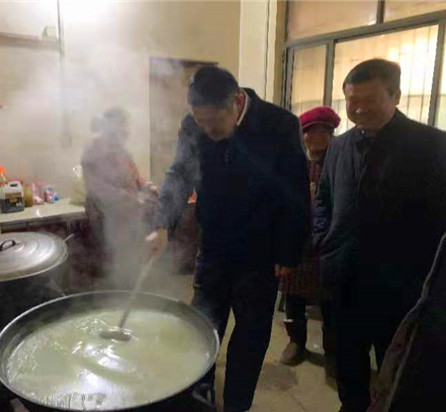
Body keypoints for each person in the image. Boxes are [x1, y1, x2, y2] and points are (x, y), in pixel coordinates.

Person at [145, 66, 310, 412]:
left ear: (236, 101)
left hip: (260, 253)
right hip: (214, 246)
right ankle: (199, 395)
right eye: (200, 122)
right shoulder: (193, 125)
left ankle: (237, 404)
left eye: (213, 122)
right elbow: (179, 174)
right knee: (201, 327)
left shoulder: (280, 124)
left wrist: (289, 253)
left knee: (250, 335)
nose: (207, 130)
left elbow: (295, 192)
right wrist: (162, 224)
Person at [313, 58, 446, 412]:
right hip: (342, 277)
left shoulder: (433, 146)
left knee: (397, 364)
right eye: (352, 100)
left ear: (396, 96)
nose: (358, 109)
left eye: (369, 100)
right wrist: (322, 239)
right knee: (346, 358)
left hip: (400, 285)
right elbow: (324, 198)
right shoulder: (339, 146)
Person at [279, 106, 340, 379]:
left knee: (331, 302)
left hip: (329, 244)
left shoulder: (338, 164)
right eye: (309, 133)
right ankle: (297, 342)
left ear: (331, 134)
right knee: (293, 297)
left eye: (322, 132)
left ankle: (333, 351)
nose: (315, 138)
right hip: (299, 243)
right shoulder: (295, 165)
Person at [82, 107, 158, 288]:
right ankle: (114, 294)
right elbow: (98, 189)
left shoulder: (122, 150)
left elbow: (134, 177)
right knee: (113, 259)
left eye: (126, 126)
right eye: (122, 125)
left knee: (130, 256)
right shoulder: (93, 152)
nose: (126, 131)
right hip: (105, 215)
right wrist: (131, 199)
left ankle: (131, 289)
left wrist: (148, 186)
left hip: (128, 214)